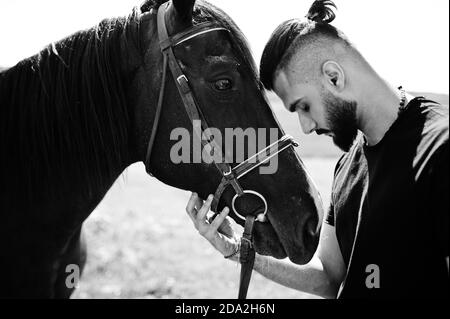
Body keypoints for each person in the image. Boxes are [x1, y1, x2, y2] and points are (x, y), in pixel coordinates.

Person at [185, 0, 449, 298]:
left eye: (304, 106)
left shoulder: (441, 148)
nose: (306, 127)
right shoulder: (347, 165)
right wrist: (238, 251)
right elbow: (330, 279)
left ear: (333, 77)